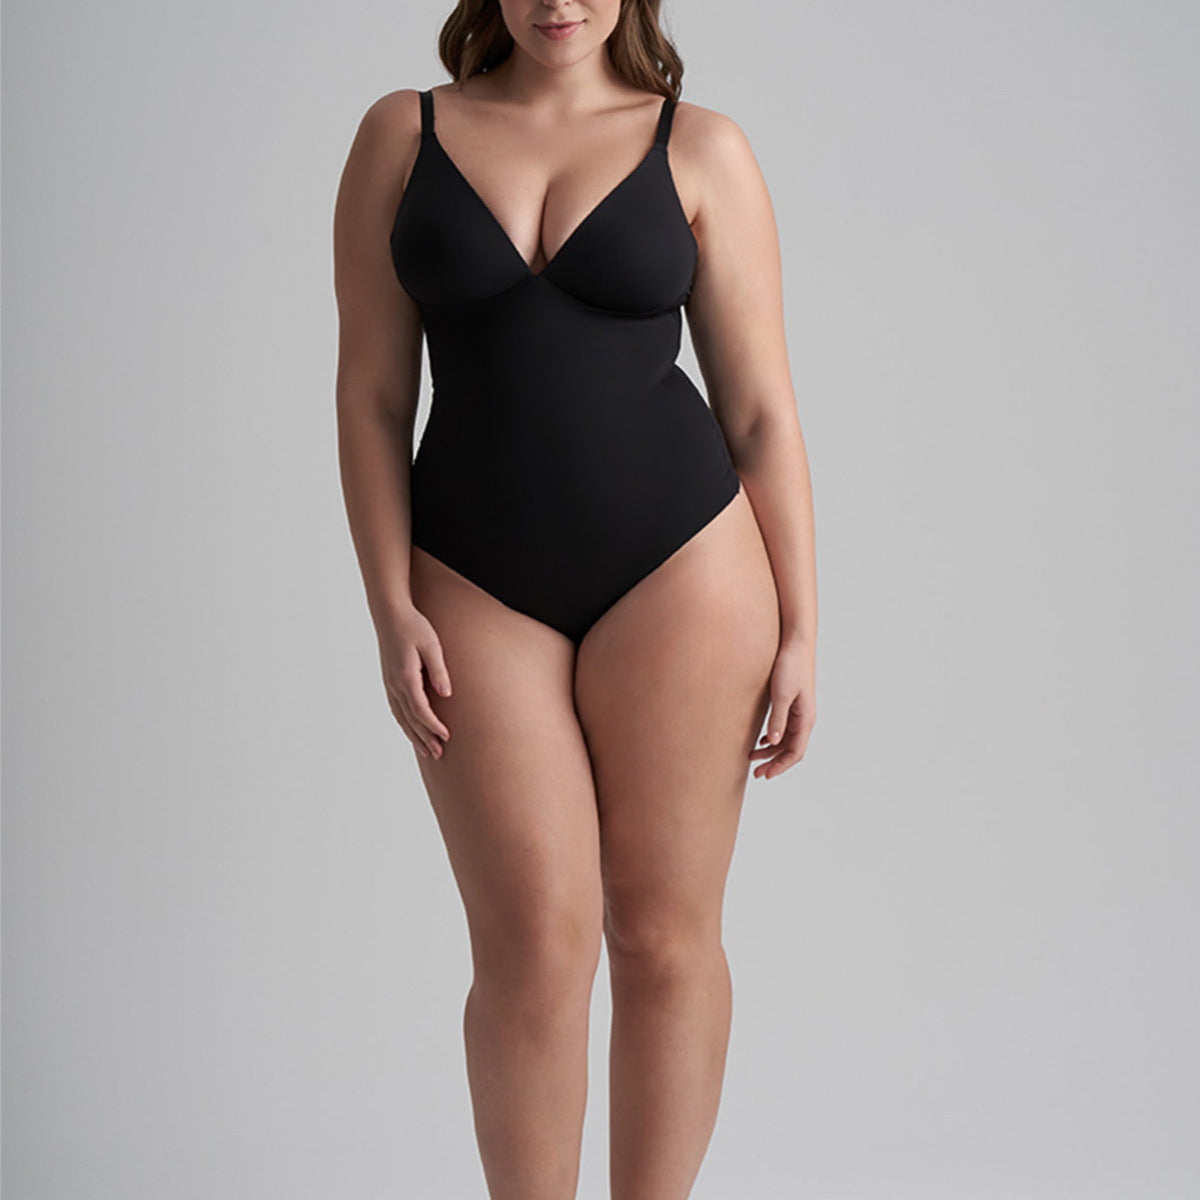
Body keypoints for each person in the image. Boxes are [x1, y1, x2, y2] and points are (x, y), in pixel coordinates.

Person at [332, 2, 817, 1196]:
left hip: (685, 570)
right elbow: (372, 394)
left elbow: (761, 410)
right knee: (531, 950)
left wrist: (804, 626)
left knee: (662, 938)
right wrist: (389, 603)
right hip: (470, 580)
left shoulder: (699, 147)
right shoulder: (402, 135)